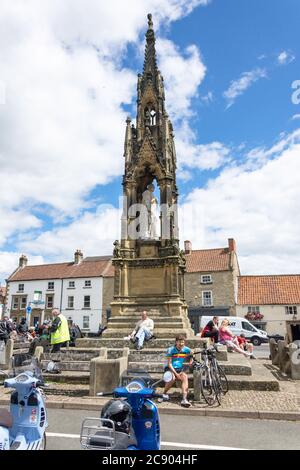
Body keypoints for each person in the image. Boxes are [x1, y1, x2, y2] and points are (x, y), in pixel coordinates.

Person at [160, 335, 193, 408]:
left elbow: (192, 353)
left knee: (185, 377)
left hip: (179, 369)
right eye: (180, 342)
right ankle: (164, 393)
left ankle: (184, 399)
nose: (181, 344)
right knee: (172, 378)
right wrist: (176, 374)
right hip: (169, 368)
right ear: (176, 342)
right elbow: (169, 364)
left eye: (183, 342)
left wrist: (191, 360)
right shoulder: (170, 350)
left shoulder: (186, 349)